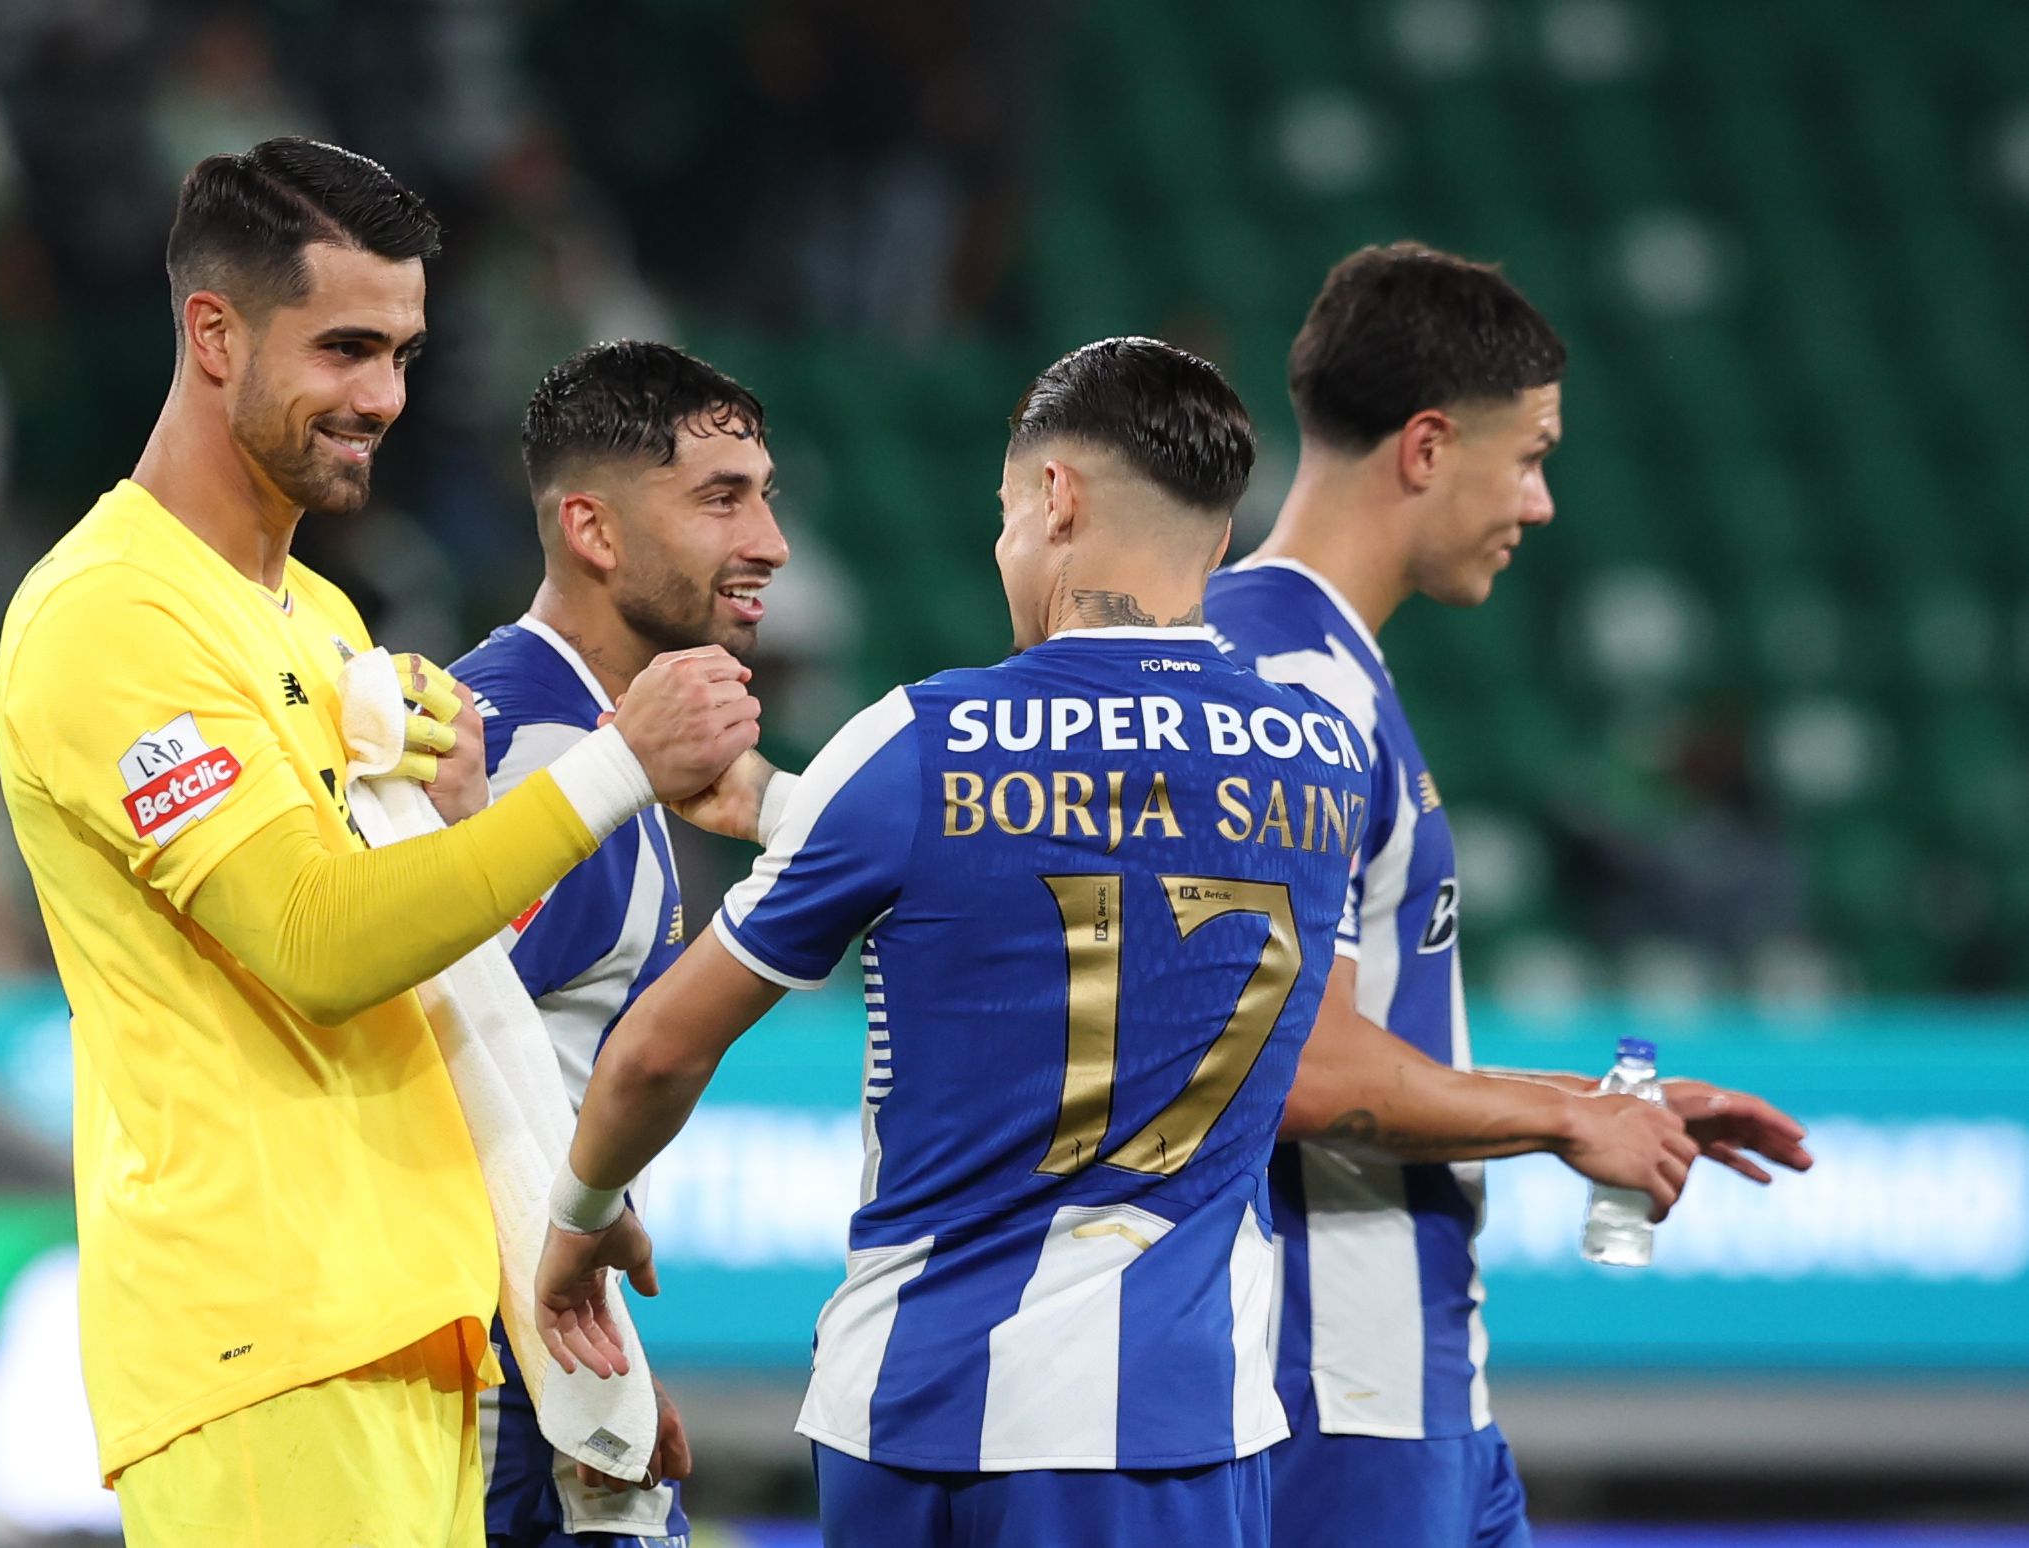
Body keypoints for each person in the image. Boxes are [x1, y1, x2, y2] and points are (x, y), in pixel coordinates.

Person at [0, 137, 759, 1543]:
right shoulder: (112, 620)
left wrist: (558, 1227)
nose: (383, 398)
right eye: (345, 347)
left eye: (403, 353)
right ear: (211, 333)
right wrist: (608, 773)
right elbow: (314, 944)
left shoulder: (324, 625)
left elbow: (436, 993)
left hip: (410, 1329)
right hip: (260, 1343)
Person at [538, 336, 1387, 1547]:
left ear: (1054, 497)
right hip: (1169, 1421)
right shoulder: (1324, 756)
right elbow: (1128, 863)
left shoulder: (913, 744)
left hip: (907, 1415)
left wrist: (580, 1224)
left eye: (1003, 514)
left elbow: (654, 1056)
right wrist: (794, 808)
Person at [1206, 243, 1816, 1548]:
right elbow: (1291, 1066)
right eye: (1529, 455)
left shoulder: (1304, 661)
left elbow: (1342, 1023)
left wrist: (1578, 1103)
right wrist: (1555, 1127)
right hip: (1332, 1383)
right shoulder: (1288, 691)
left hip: (1411, 1375)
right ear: (1425, 447)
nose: (1538, 501)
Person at [448, 339, 791, 1546]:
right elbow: (424, 1081)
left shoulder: (572, 737)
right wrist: (561, 1390)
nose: (768, 542)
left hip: (538, 1364)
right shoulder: (540, 760)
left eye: (765, 496)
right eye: (720, 500)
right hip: (493, 1394)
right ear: (592, 531)